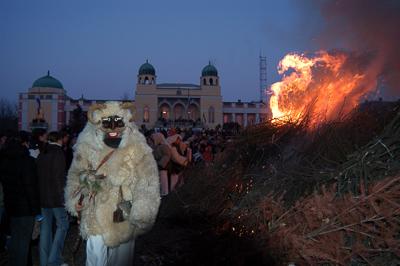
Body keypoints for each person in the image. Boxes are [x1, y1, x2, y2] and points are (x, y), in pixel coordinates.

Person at [64, 101, 160, 265]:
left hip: (122, 213)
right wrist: (75, 199)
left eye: (118, 122)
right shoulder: (87, 146)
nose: (113, 128)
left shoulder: (136, 147)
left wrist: (143, 209)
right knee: (95, 257)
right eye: (107, 123)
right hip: (94, 210)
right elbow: (75, 174)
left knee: (121, 259)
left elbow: (148, 180)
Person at [0, 131, 40, 266]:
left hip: (11, 207)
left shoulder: (4, 160)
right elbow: (31, 188)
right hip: (25, 209)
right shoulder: (26, 161)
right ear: (24, 142)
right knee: (23, 244)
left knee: (15, 242)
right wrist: (36, 211)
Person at [36, 131, 69, 266]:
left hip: (43, 197)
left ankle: (45, 261)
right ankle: (54, 260)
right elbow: (59, 178)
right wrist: (63, 198)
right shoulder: (58, 153)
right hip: (56, 198)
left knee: (45, 229)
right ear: (60, 139)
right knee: (62, 226)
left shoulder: (42, 153)